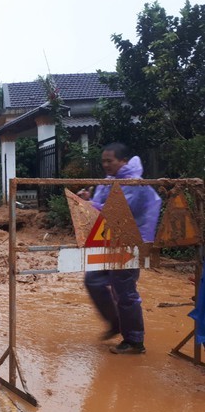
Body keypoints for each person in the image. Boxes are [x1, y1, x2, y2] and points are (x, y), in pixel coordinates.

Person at [78, 143, 162, 354]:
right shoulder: (108, 182)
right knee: (93, 280)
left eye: (110, 161)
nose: (105, 165)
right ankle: (116, 322)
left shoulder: (134, 183)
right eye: (103, 161)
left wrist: (88, 206)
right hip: (109, 242)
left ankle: (134, 341)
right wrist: (88, 201)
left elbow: (119, 212)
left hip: (130, 242)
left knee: (124, 291)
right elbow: (100, 209)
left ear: (123, 161)